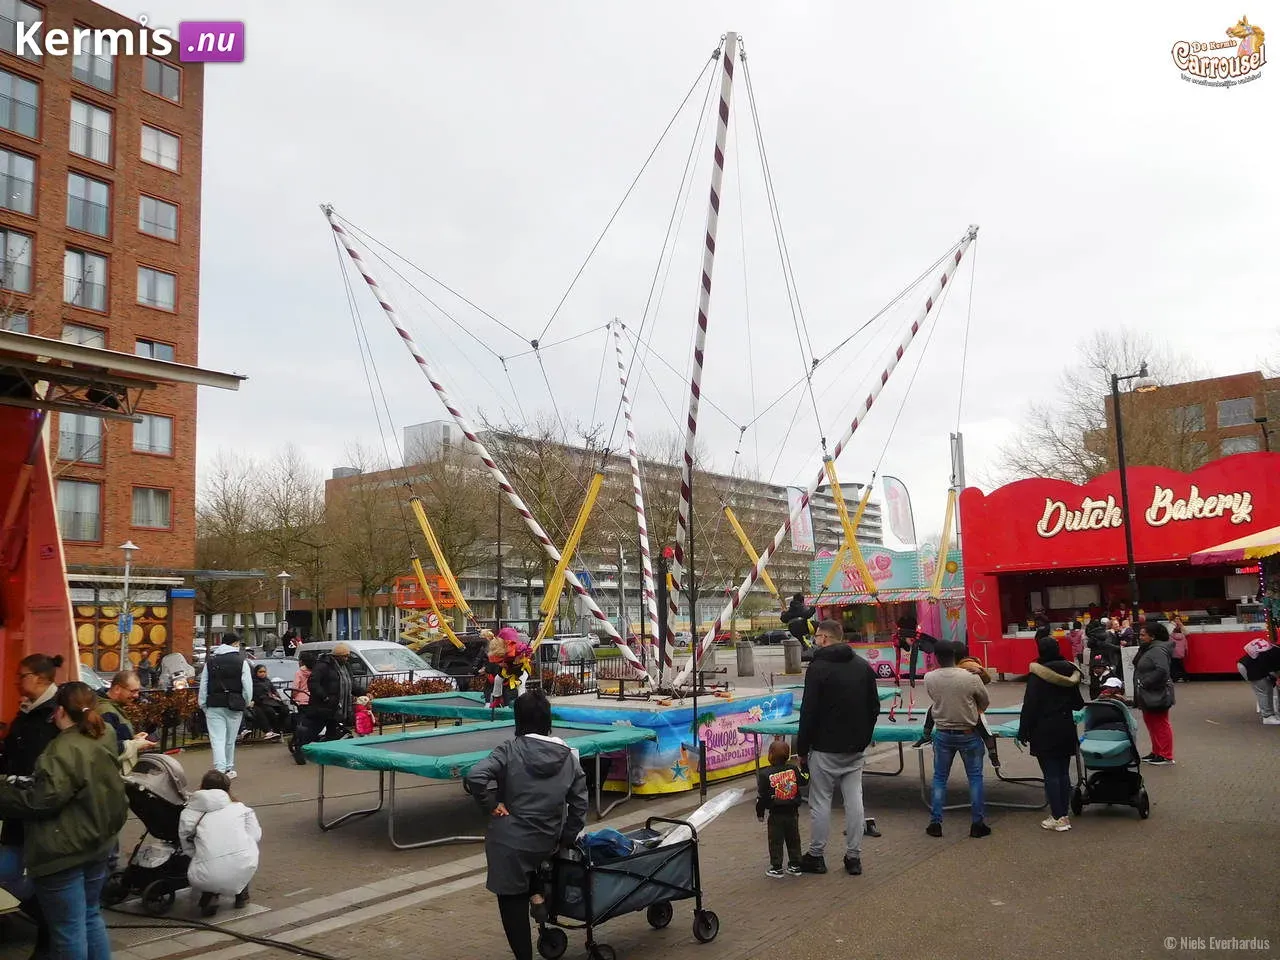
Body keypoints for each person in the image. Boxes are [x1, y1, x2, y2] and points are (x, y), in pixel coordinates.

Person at [0, 682, 127, 960]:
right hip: (96, 842)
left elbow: (41, 800)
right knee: (90, 916)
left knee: (68, 930)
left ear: (58, 711)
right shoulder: (102, 735)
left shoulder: (61, 749)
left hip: (62, 850)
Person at [465, 691, 587, 960]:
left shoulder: (509, 749)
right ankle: (538, 901)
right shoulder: (568, 757)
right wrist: (565, 838)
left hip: (509, 842)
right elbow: (579, 805)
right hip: (546, 839)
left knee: (510, 902)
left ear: (518, 720)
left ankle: (524, 954)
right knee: (534, 869)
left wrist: (491, 804)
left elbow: (476, 776)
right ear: (547, 719)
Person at [795, 619, 879, 877]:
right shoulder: (862, 667)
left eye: (817, 636)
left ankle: (816, 855)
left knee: (820, 802)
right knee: (855, 801)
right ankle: (854, 857)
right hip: (855, 748)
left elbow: (808, 712)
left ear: (824, 638)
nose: (815, 640)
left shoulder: (818, 669)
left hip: (824, 747)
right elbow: (873, 707)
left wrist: (802, 748)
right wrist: (864, 737)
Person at [0, 653, 63, 954]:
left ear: (40, 677)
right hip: (18, 810)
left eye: (21, 675)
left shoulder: (58, 715)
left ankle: (51, 932)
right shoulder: (27, 712)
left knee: (45, 875)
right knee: (6, 870)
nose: (16, 681)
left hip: (42, 815)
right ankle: (49, 919)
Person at [923, 639, 992, 838]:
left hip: (943, 732)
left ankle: (935, 823)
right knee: (975, 778)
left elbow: (934, 700)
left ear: (936, 657)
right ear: (955, 655)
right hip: (968, 733)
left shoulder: (930, 678)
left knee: (939, 778)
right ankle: (977, 824)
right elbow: (985, 700)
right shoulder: (970, 677)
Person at [1017, 632, 1085, 832]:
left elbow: (1030, 706)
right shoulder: (1070, 672)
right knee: (1063, 772)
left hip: (1044, 729)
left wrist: (1023, 732)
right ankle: (1063, 813)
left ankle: (1058, 816)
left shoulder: (1037, 674)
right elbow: (1078, 703)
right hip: (1065, 726)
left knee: (1050, 773)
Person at [179, 770, 260, 918]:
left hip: (205, 870)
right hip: (243, 862)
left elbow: (186, 843)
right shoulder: (241, 809)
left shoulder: (188, 813)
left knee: (209, 860)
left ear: (202, 786)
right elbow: (255, 835)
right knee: (243, 852)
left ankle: (210, 894)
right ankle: (241, 894)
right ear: (228, 788)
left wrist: (200, 856)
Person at [197, 633, 253, 779]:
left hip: (214, 703)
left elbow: (204, 684)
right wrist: (246, 701)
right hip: (234, 704)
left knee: (217, 739)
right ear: (234, 644)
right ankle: (228, 768)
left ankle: (220, 770)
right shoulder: (242, 662)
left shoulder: (210, 662)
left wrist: (203, 703)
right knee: (230, 740)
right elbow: (247, 685)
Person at [291, 645, 353, 765]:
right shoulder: (323, 666)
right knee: (314, 729)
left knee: (333, 730)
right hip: (322, 705)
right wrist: (324, 697)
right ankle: (299, 748)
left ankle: (329, 754)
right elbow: (313, 682)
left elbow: (350, 683)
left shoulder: (344, 667)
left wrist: (363, 692)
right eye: (345, 656)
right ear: (338, 656)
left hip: (335, 705)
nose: (347, 659)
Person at [755, 739, 803, 878]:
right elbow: (803, 780)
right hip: (793, 811)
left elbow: (762, 797)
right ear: (788, 755)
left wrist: (760, 812)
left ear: (770, 755)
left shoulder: (765, 774)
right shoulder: (793, 769)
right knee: (794, 838)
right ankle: (795, 864)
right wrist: (804, 767)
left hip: (776, 813)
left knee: (775, 840)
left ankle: (777, 867)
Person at [97, 671, 158, 775]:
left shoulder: (112, 706)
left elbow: (114, 737)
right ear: (117, 689)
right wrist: (136, 744)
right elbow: (107, 748)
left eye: (138, 691)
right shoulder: (106, 712)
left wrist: (133, 738)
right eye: (132, 691)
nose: (136, 695)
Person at [1133, 622, 1176, 765]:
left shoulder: (1157, 650)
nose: (1140, 637)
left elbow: (1162, 670)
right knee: (1152, 722)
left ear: (1153, 636)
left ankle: (1165, 755)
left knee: (1160, 723)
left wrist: (1145, 682)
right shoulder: (1149, 649)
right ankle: (1157, 751)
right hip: (1149, 693)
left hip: (1157, 693)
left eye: (1143, 635)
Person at [1237, 641, 1280, 725]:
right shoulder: (1277, 654)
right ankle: (1268, 717)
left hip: (1247, 664)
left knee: (1266, 689)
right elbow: (1273, 672)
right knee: (1265, 690)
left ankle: (1268, 712)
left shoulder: (1276, 649)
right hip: (1251, 667)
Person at [247, 666, 287, 741]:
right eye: (260, 672)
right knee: (270, 711)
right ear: (256, 673)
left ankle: (279, 729)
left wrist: (277, 697)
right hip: (261, 702)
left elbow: (273, 690)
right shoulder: (252, 682)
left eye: (264, 672)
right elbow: (254, 695)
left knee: (285, 709)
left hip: (271, 701)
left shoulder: (267, 681)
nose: (262, 673)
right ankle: (275, 731)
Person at [1169, 617, 1189, 683]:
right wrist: (1186, 651)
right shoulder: (1183, 636)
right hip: (1181, 653)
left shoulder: (1171, 636)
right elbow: (1186, 644)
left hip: (1173, 652)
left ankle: (1174, 678)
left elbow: (1169, 643)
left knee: (1173, 666)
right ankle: (1185, 677)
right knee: (1180, 666)